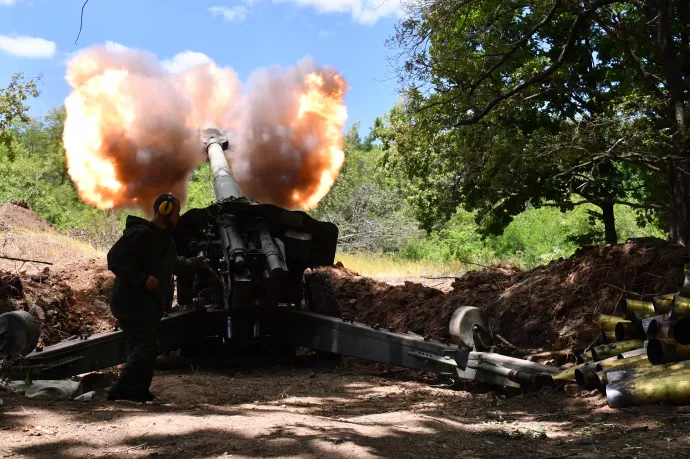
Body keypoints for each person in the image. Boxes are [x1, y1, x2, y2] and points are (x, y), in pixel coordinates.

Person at [106, 193, 208, 402]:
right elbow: (114, 258)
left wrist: (199, 263)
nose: (179, 218)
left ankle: (139, 391)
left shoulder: (164, 240)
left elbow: (175, 265)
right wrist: (142, 278)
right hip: (130, 302)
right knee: (147, 346)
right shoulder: (141, 234)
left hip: (146, 305)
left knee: (143, 347)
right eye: (177, 212)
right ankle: (120, 391)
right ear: (165, 211)